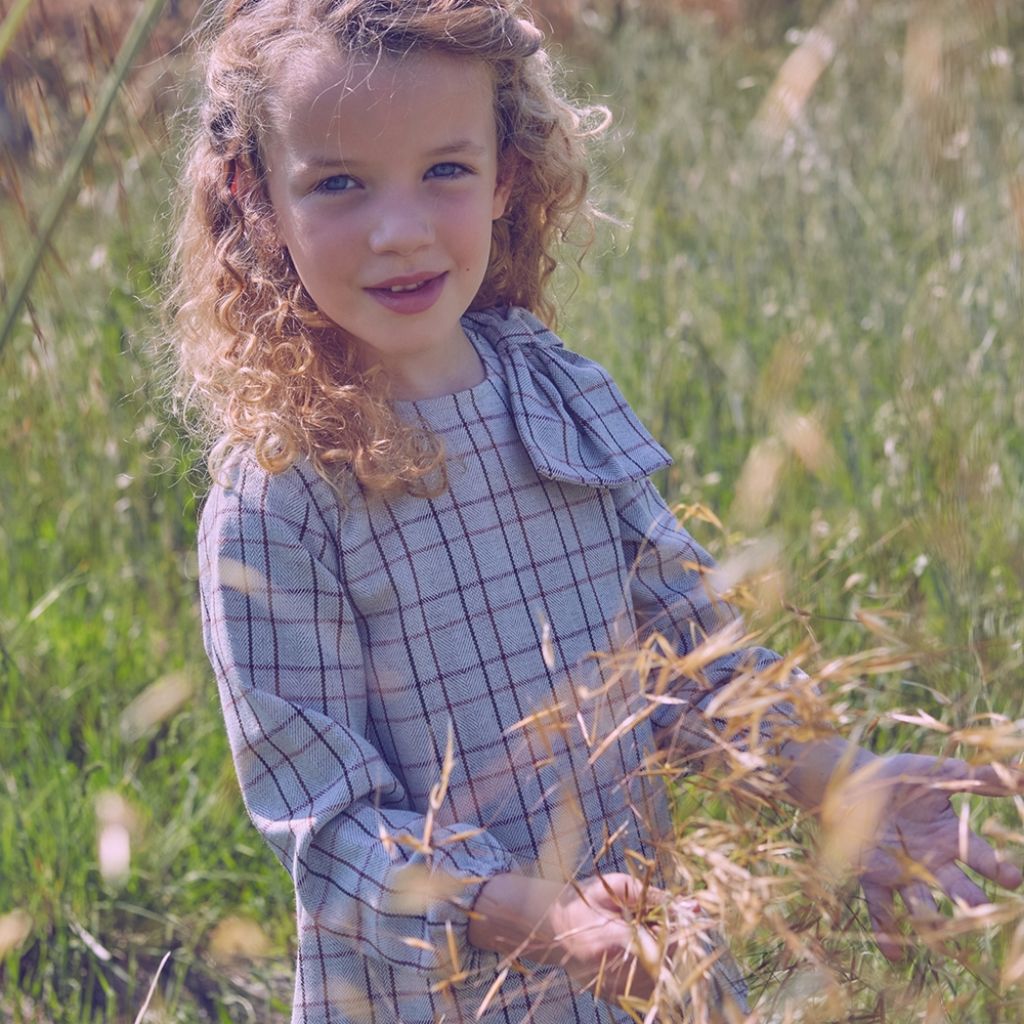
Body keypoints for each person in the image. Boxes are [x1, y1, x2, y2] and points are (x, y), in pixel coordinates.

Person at [167, 1, 1023, 1021]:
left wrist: (837, 776)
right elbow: (332, 824)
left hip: (647, 968)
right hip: (433, 995)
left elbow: (682, 656)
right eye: (339, 184)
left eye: (445, 169)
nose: (398, 230)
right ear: (255, 195)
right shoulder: (280, 493)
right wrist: (545, 917)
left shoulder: (552, 389)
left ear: (506, 176)